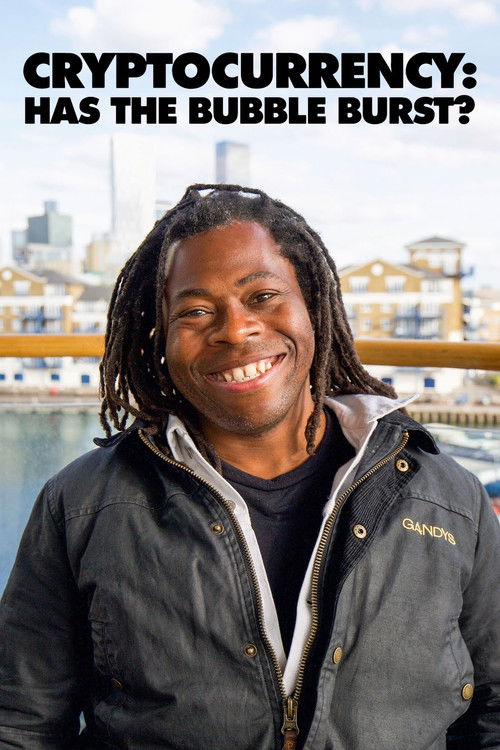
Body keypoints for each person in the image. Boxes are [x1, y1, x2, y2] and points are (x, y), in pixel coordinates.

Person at [0, 184, 498, 750]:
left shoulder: (448, 497)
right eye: (195, 311)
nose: (235, 329)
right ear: (160, 337)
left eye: (262, 296)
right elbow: (21, 724)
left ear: (313, 304)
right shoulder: (82, 504)